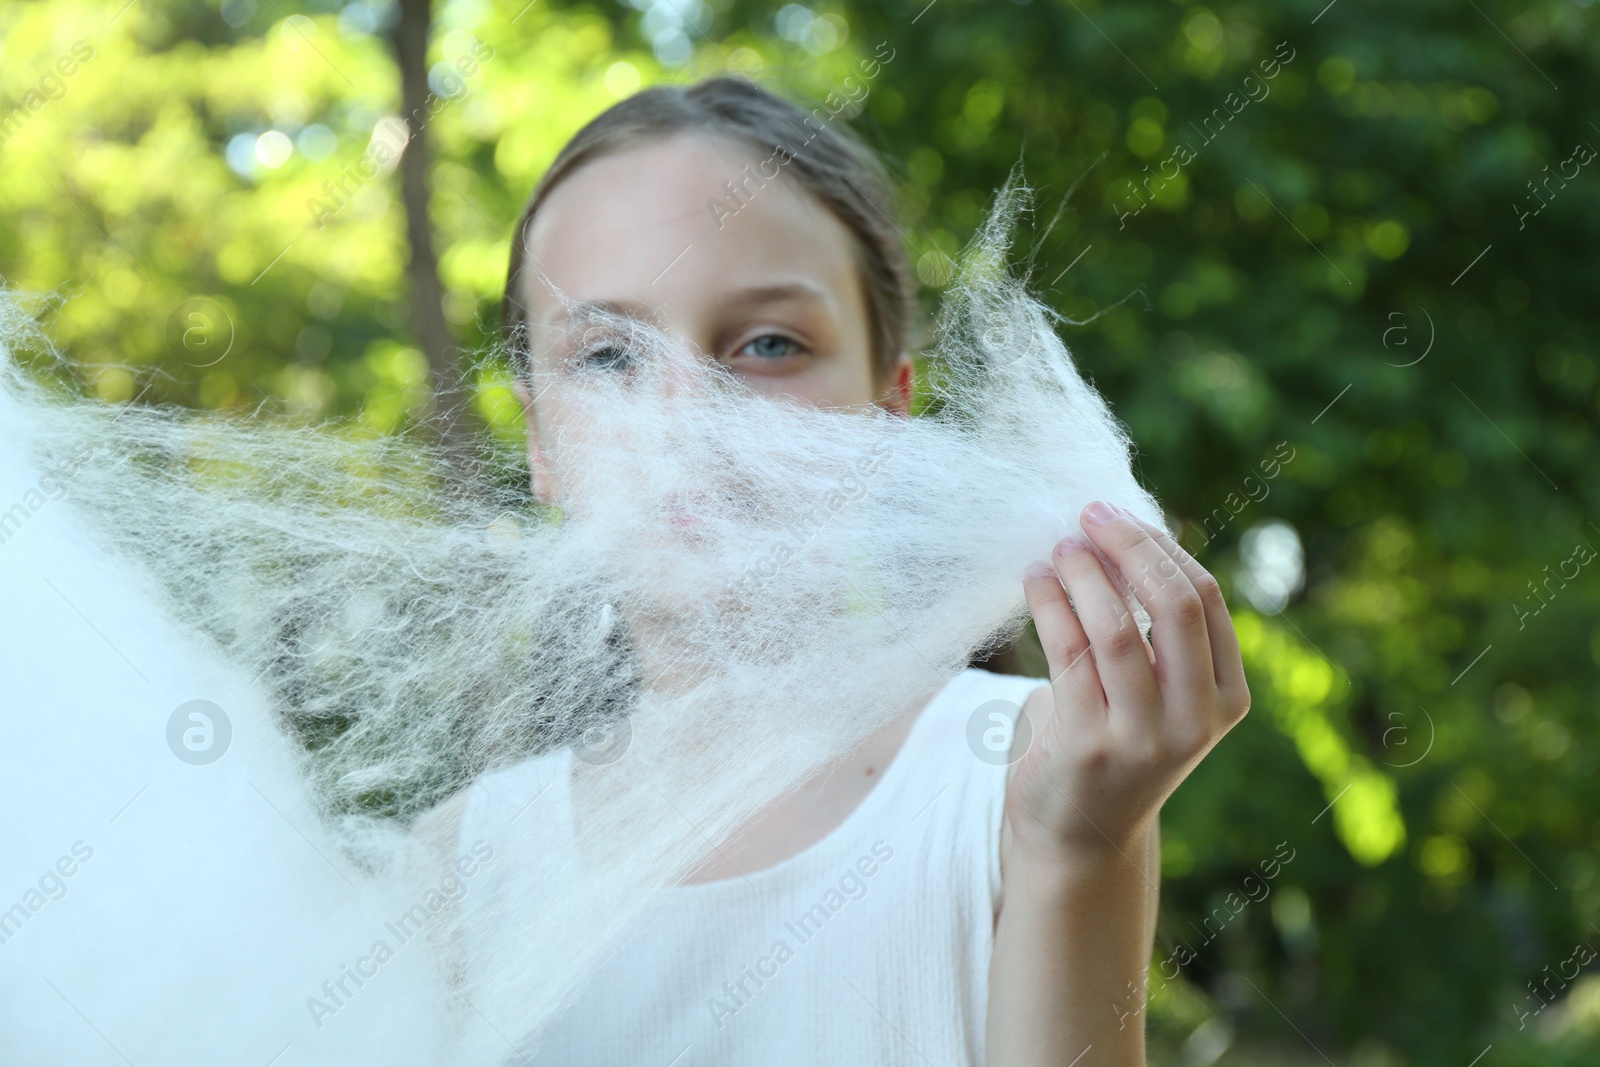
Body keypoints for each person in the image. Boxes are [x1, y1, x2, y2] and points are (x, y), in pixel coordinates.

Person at [441, 74, 1250, 1065]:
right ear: (538, 441)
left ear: (888, 412)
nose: (689, 414)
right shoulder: (457, 868)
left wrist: (1077, 848)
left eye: (769, 343)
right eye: (610, 356)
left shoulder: (1026, 772)